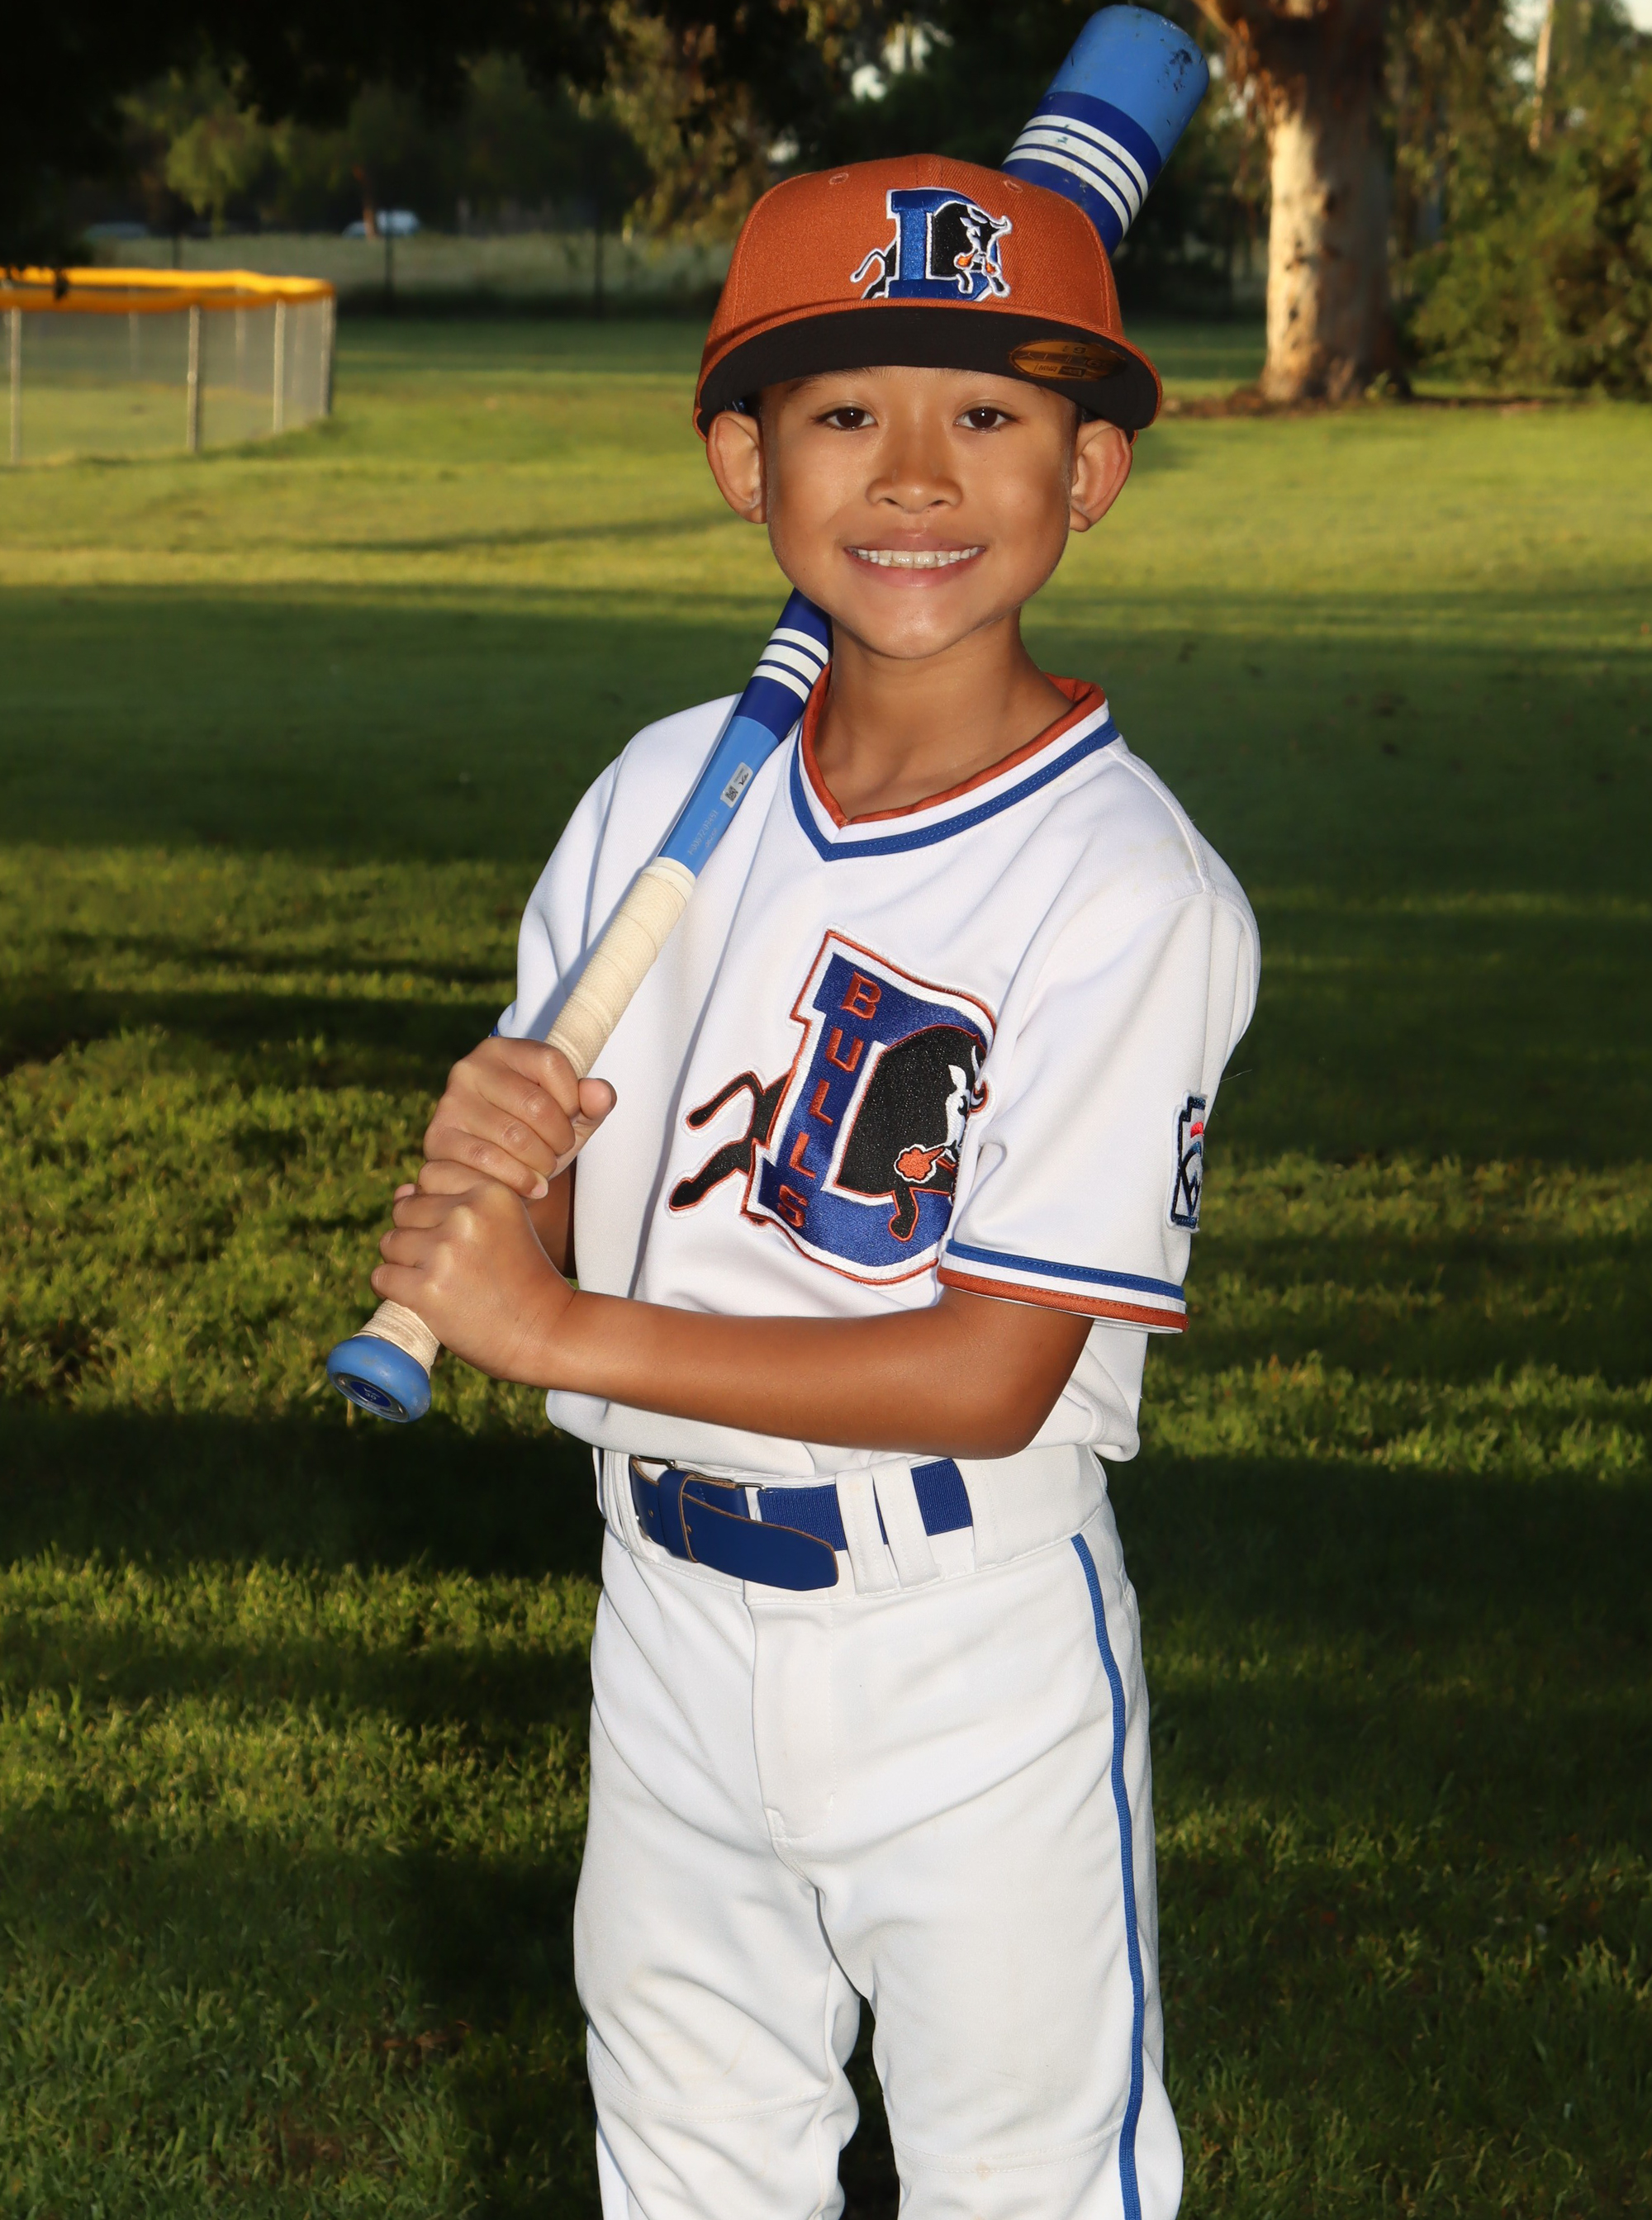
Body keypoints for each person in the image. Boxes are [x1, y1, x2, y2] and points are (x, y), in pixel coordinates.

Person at [373, 155, 1259, 2220]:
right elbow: (576, 1208)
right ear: (742, 464)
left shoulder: (1126, 887)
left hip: (961, 1641)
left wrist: (552, 1324)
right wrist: (506, 1177)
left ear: (1090, 472)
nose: (917, 474)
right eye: (846, 411)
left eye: (991, 415)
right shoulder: (656, 794)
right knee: (686, 2165)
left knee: (1023, 2182)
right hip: (665, 1609)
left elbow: (988, 1373)